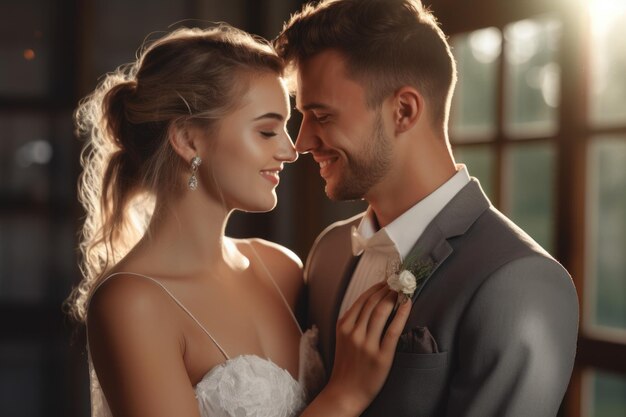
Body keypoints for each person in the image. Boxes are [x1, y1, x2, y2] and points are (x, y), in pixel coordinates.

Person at [66, 25, 412, 417]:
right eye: (267, 131)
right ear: (188, 139)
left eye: (285, 128)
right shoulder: (132, 304)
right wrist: (345, 395)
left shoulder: (281, 268)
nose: (290, 150)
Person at [274, 0, 579, 416]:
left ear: (404, 110)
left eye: (322, 116)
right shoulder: (327, 254)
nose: (302, 142)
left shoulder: (520, 282)